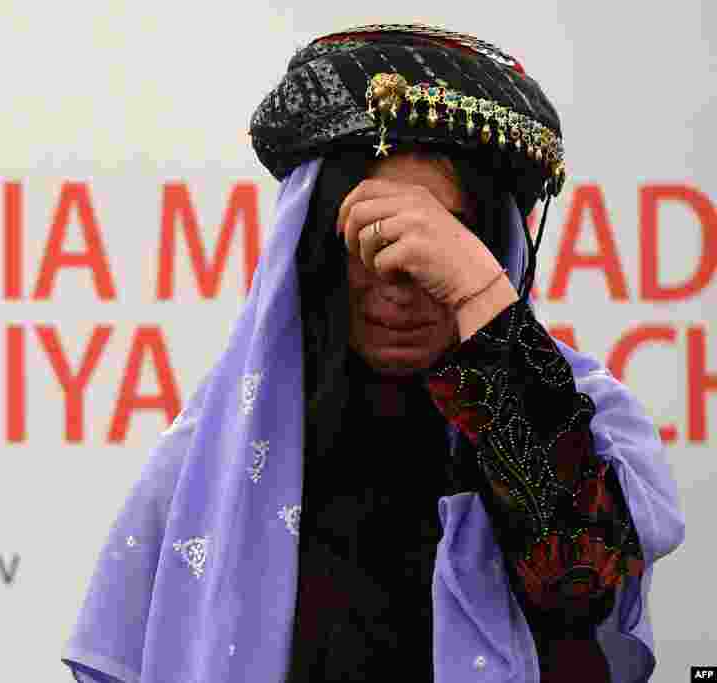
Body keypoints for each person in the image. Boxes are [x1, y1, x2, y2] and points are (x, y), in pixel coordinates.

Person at [61, 23, 685, 682]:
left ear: (490, 247)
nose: (400, 280)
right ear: (313, 251)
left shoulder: (585, 418)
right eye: (370, 238)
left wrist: (477, 293)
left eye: (435, 247)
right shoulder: (213, 458)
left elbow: (577, 574)